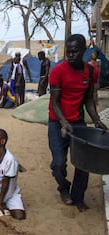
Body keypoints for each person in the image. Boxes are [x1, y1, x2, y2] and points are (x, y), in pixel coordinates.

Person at [48, 34, 108, 212]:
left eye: (75, 51)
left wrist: (97, 120)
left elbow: (89, 99)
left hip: (78, 122)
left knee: (84, 162)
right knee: (58, 163)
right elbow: (55, 101)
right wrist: (64, 122)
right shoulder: (58, 71)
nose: (71, 55)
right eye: (69, 51)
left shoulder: (91, 72)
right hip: (57, 122)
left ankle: (78, 197)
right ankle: (64, 188)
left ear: (83, 51)